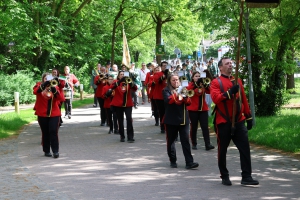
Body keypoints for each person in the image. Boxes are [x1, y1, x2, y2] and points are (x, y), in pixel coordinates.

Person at [210, 57, 259, 186]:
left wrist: (248, 116)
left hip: (239, 120)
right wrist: (229, 92)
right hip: (223, 121)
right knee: (222, 150)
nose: (230, 65)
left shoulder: (237, 80)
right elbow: (216, 98)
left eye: (231, 63)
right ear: (220, 67)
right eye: (227, 63)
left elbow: (243, 99)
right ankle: (224, 176)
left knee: (245, 149)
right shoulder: (216, 82)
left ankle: (246, 176)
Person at [162, 73, 199, 169]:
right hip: (171, 120)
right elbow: (168, 101)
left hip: (183, 119)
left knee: (185, 141)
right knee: (171, 142)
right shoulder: (166, 90)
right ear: (170, 81)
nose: (176, 82)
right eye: (173, 80)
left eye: (177, 80)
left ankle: (189, 162)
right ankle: (173, 160)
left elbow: (189, 103)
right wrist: (177, 93)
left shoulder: (184, 89)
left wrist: (185, 96)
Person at [33, 73, 63, 158]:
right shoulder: (38, 85)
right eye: (46, 78)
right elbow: (36, 91)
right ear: (43, 79)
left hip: (54, 113)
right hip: (42, 113)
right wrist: (45, 84)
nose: (48, 80)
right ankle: (46, 150)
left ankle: (55, 151)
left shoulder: (55, 86)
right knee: (45, 132)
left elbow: (59, 97)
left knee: (53, 131)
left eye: (49, 78)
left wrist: (53, 88)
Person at [186, 71, 215, 150]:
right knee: (194, 127)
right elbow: (189, 92)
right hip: (193, 109)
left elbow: (209, 91)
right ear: (193, 77)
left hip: (203, 109)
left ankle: (207, 144)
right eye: (196, 76)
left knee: (205, 127)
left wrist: (205, 85)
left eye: (199, 76)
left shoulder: (203, 85)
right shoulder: (190, 85)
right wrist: (196, 86)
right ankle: (194, 143)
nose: (198, 77)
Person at [110, 70, 137, 142]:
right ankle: (122, 136)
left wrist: (131, 83)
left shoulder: (128, 82)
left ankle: (130, 136)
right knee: (120, 120)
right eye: (121, 74)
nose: (122, 75)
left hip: (128, 104)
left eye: (123, 74)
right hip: (118, 104)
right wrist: (120, 81)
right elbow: (112, 87)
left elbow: (135, 89)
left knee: (129, 119)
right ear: (118, 76)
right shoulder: (116, 82)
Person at [153, 61, 168, 133]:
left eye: (166, 65)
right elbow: (156, 81)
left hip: (168, 96)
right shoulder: (158, 74)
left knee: (168, 112)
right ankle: (162, 127)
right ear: (161, 67)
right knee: (162, 112)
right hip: (159, 96)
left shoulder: (170, 74)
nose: (165, 67)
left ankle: (168, 126)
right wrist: (163, 76)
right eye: (163, 66)